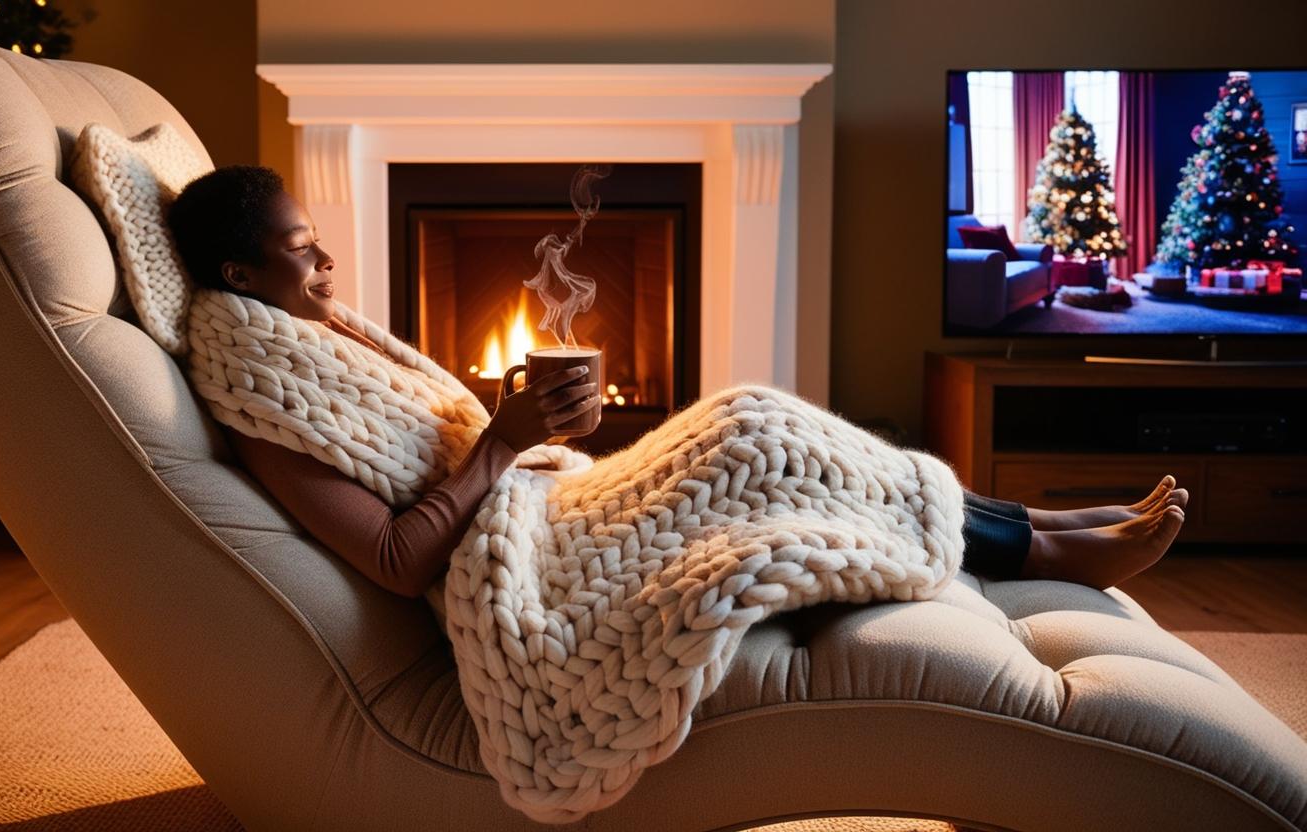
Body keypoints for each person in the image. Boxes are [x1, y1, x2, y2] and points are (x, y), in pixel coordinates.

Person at [167, 166, 1189, 600]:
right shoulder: (266, 409)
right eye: (303, 252)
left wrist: (529, 441)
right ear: (239, 275)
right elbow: (393, 560)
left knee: (761, 425)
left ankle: (1039, 529)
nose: (326, 265)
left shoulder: (317, 345)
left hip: (543, 496)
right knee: (757, 439)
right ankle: (1039, 551)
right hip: (527, 557)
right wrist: (501, 442)